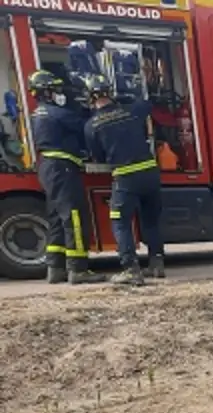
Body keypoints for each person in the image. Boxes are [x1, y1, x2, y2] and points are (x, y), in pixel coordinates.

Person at [83, 74, 162, 286]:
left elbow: (98, 157)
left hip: (126, 177)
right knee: (151, 221)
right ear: (110, 92)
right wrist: (127, 97)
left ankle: (131, 270)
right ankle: (157, 264)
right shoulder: (130, 110)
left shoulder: (91, 125)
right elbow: (147, 105)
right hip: (151, 173)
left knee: (120, 222)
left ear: (89, 97)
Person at [28, 69, 102, 284]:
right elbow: (86, 128)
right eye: (56, 89)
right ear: (46, 92)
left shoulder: (37, 113)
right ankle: (78, 269)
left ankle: (56, 268)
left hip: (48, 169)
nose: (59, 93)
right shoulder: (56, 113)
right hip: (62, 167)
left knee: (56, 219)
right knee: (74, 217)